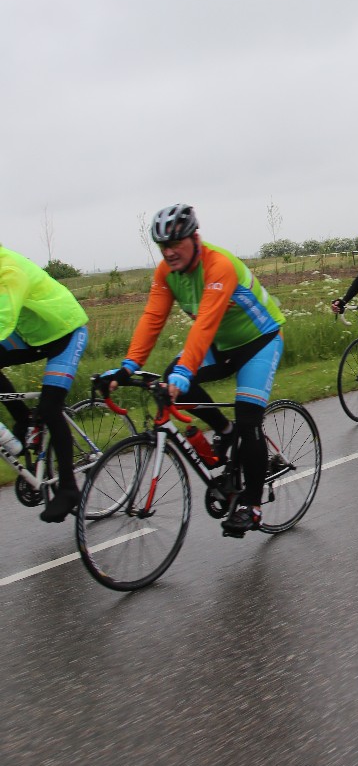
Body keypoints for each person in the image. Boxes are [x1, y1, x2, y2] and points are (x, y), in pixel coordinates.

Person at [102, 203, 285, 538]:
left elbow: (205, 323)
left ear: (195, 238)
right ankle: (224, 430)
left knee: (248, 418)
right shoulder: (166, 273)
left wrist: (185, 372)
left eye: (176, 244)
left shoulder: (219, 265)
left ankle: (252, 505)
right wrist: (128, 367)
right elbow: (153, 318)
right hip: (221, 344)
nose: (169, 252)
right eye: (163, 246)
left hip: (260, 341)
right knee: (172, 376)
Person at [0, 245, 89, 521]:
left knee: (50, 408)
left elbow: (3, 319)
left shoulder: (9, 270)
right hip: (32, 334)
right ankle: (25, 419)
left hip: (66, 332)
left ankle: (68, 488)